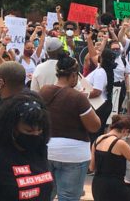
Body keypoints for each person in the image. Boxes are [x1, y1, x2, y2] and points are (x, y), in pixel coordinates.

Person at [39, 53, 101, 201]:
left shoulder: (43, 92)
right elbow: (94, 126)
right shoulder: (78, 97)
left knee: (44, 195)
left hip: (47, 150)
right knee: (68, 197)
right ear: (73, 75)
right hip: (74, 155)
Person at [90, 115, 130, 201]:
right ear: (125, 131)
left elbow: (91, 167)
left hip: (96, 186)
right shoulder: (120, 143)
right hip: (113, 188)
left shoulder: (98, 140)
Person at [86, 49, 117, 142]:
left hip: (98, 106)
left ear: (102, 58)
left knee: (94, 134)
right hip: (102, 105)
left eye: (100, 54)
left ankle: (94, 152)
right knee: (97, 133)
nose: (97, 56)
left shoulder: (101, 72)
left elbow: (97, 91)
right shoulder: (104, 70)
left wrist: (82, 94)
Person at [110, 40, 130, 113]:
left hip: (121, 86)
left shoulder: (123, 60)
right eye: (113, 49)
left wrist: (128, 89)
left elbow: (127, 74)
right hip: (110, 86)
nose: (115, 50)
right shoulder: (106, 59)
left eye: (117, 49)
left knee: (118, 107)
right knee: (111, 108)